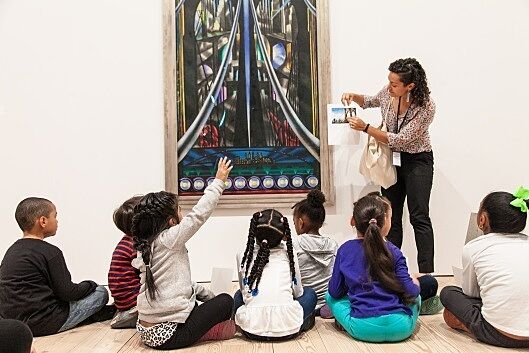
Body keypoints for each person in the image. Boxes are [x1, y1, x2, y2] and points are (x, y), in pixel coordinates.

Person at [342, 58, 436, 274]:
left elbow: (402, 139)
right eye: (389, 81)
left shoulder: (426, 106)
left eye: (394, 84)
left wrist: (365, 128)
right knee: (389, 214)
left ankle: (426, 273)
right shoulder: (388, 92)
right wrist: (352, 96)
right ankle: (391, 269)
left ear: (410, 86)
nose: (389, 87)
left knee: (419, 215)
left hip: (417, 159)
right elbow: (370, 100)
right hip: (392, 159)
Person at [132, 157, 236, 350]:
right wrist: (219, 181)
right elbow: (198, 215)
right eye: (179, 210)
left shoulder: (145, 245)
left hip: (146, 331)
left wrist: (208, 296)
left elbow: (184, 286)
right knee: (226, 301)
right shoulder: (169, 239)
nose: (183, 213)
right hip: (170, 336)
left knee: (209, 301)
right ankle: (210, 332)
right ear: (171, 221)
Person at [325, 193, 439, 342]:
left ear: (353, 221)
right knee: (416, 297)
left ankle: (346, 319)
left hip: (362, 329)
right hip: (401, 328)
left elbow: (335, 291)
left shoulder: (345, 250)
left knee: (329, 297)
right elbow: (411, 291)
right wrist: (415, 283)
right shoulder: (395, 251)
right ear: (384, 221)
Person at [0, 197, 113, 337]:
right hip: (45, 322)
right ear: (43, 221)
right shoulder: (50, 252)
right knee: (101, 293)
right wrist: (91, 284)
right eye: (55, 216)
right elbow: (68, 293)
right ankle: (90, 314)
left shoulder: (12, 250)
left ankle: (91, 315)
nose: (57, 221)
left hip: (15, 324)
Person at [440, 187, 529, 348]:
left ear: (482, 219)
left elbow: (471, 293)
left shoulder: (474, 247)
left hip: (498, 333)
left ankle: (470, 325)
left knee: (448, 293)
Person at [233, 209, 317, 341]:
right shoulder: (289, 253)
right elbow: (298, 292)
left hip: (251, 330)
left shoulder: (243, 254)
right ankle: (302, 324)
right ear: (284, 235)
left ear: (253, 231)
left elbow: (244, 292)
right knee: (310, 294)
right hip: (287, 330)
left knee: (238, 295)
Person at [291, 190, 337, 318]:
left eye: (294, 222)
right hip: (327, 302)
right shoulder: (333, 245)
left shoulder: (295, 244)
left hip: (305, 302)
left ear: (300, 223)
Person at [108, 196, 142, 329]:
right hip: (132, 301)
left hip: (123, 301)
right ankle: (131, 316)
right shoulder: (136, 246)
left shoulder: (128, 241)